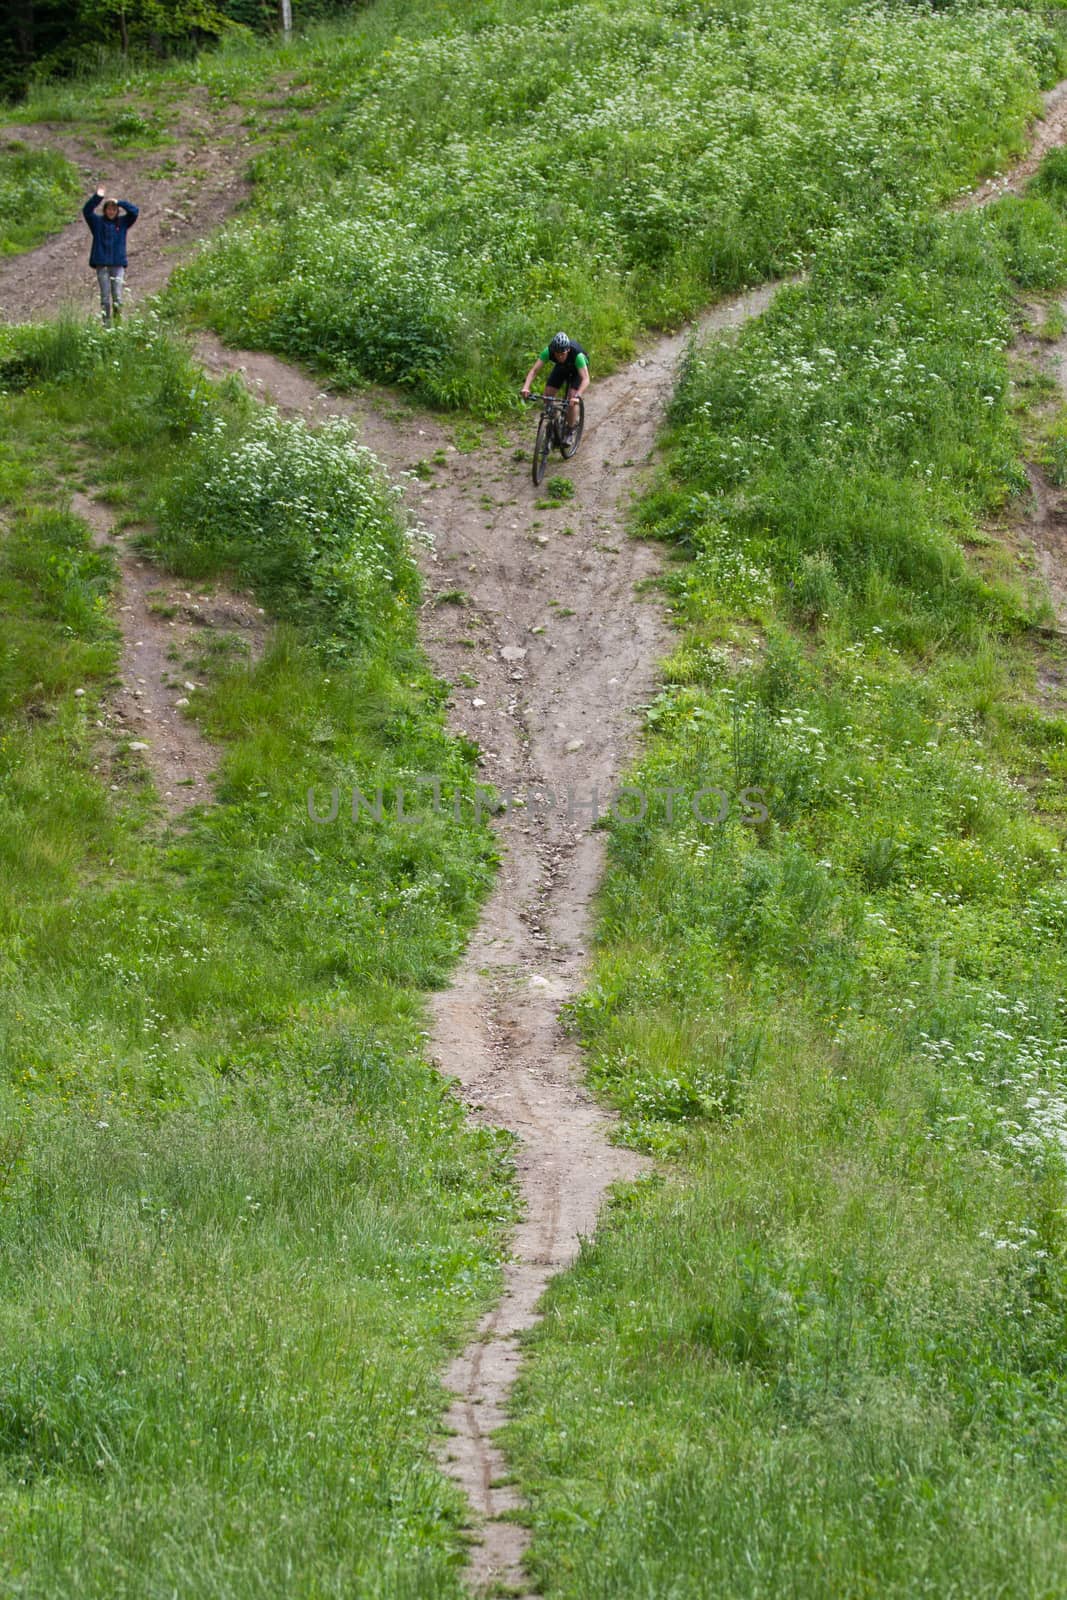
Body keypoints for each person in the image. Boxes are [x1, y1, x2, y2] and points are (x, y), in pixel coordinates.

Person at [82, 186, 139, 326]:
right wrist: (98, 196)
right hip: (102, 264)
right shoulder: (97, 223)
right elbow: (87, 211)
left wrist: (119, 202)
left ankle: (118, 323)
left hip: (118, 264)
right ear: (105, 210)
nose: (111, 212)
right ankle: (107, 325)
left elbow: (135, 211)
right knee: (105, 298)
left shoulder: (123, 222)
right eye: (109, 209)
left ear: (117, 211)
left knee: (118, 296)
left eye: (114, 209)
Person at [522, 332, 590, 442]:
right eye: (557, 353)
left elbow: (586, 379)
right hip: (562, 368)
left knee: (571, 398)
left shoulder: (578, 355)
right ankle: (553, 419)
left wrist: (577, 396)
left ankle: (571, 429)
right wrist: (526, 387)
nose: (559, 356)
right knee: (547, 394)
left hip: (578, 371)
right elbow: (534, 371)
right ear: (553, 350)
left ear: (567, 350)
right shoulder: (548, 351)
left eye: (562, 353)